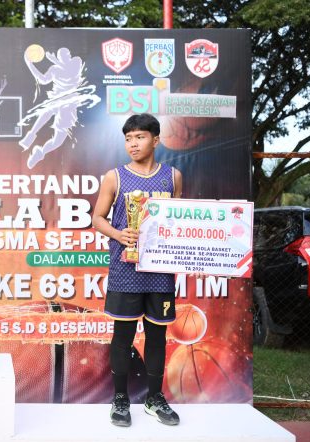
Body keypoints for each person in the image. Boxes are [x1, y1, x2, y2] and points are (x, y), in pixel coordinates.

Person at [92, 113, 183, 427]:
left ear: (155, 140)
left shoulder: (173, 177)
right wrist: (119, 234)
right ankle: (120, 398)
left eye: (140, 137)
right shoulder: (114, 177)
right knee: (123, 336)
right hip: (125, 270)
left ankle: (154, 398)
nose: (133, 144)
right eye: (128, 138)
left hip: (160, 273)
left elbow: (178, 221)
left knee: (157, 336)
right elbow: (97, 218)